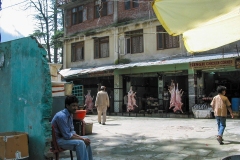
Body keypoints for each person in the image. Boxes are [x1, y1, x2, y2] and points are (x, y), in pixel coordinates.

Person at [51, 95, 93, 160]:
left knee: (86, 139)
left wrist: (83, 138)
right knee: (80, 143)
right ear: (67, 106)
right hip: (58, 141)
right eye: (73, 105)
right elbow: (67, 136)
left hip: (65, 138)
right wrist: (82, 139)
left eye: (76, 105)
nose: (76, 108)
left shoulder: (70, 114)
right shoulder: (61, 116)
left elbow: (72, 132)